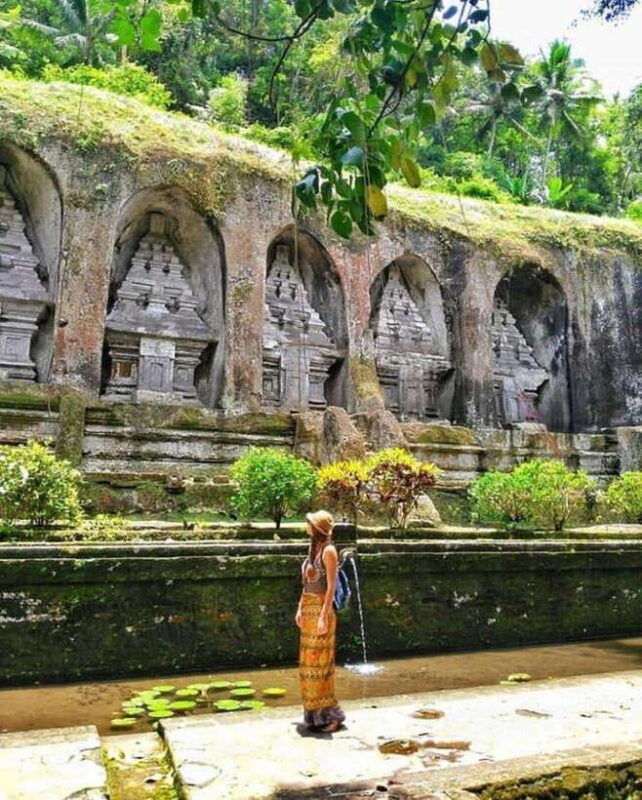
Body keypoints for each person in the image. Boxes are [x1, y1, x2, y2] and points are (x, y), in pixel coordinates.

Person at [295, 509, 346, 733]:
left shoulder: (329, 551)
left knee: (321, 665)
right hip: (308, 610)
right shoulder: (312, 550)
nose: (306, 525)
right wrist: (299, 609)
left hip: (321, 612)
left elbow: (331, 586)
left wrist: (324, 615)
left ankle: (333, 715)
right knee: (308, 666)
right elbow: (305, 585)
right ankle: (315, 716)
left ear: (318, 528)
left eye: (310, 523)